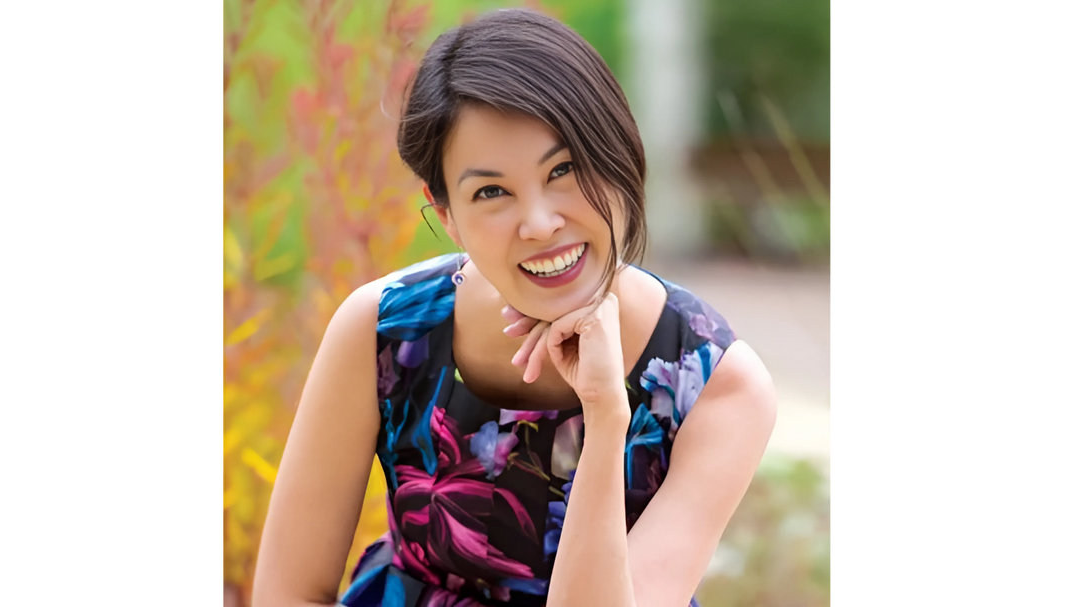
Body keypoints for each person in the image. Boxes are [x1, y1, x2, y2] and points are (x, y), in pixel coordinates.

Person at [252, 8, 776, 607]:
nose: (540, 223)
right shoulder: (386, 332)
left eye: (565, 169)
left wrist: (605, 418)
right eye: (491, 192)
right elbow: (287, 594)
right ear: (445, 213)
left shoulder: (714, 386)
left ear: (620, 153)